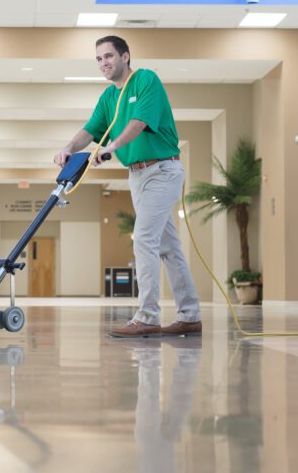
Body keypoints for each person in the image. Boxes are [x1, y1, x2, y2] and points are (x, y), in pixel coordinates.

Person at [53, 35, 201, 338]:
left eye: (108, 56)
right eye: (98, 59)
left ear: (125, 57)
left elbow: (139, 121)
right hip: (137, 175)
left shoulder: (145, 80)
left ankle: (147, 316)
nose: (104, 63)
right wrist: (68, 147)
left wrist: (112, 147)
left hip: (162, 170)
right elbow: (91, 129)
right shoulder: (109, 97)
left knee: (144, 238)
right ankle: (190, 316)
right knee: (169, 247)